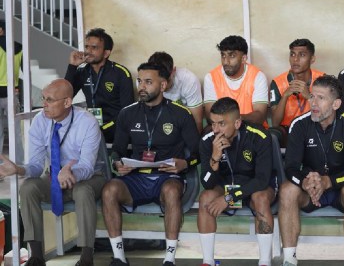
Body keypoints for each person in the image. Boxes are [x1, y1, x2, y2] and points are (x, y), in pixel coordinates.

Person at [101, 62, 200, 266]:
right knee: (109, 190)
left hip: (167, 178)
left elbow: (199, 153)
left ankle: (169, 259)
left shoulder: (181, 114)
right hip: (136, 178)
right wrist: (117, 163)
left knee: (172, 191)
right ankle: (119, 257)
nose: (141, 87)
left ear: (163, 85)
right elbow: (117, 150)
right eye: (139, 81)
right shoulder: (127, 113)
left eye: (148, 82)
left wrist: (185, 164)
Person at [0, 79, 105, 266]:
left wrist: (70, 172)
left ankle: (87, 257)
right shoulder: (40, 121)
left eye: (50, 100)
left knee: (82, 191)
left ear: (67, 102)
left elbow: (88, 167)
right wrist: (19, 169)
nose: (44, 105)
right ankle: (37, 256)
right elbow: (36, 166)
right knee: (28, 187)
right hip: (54, 177)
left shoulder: (86, 122)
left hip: (89, 178)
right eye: (43, 99)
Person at [278, 75, 344, 266]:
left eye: (321, 98)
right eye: (312, 97)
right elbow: (290, 167)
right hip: (309, 189)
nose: (313, 103)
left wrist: (328, 182)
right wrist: (304, 181)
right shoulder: (299, 124)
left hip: (340, 187)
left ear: (336, 104)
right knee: (287, 189)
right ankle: (289, 259)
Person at [197, 97, 276, 266]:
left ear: (238, 123)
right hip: (225, 187)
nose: (216, 130)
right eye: (213, 123)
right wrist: (215, 159)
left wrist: (229, 198)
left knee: (260, 198)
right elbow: (207, 183)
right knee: (205, 198)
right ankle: (208, 261)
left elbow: (261, 180)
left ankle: (264, 262)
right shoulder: (207, 141)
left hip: (255, 188)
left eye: (222, 124)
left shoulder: (260, 136)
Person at [65, 28, 134, 143]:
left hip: (116, 131)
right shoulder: (82, 72)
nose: (88, 51)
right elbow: (65, 95)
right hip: (92, 129)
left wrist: (104, 129)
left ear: (106, 53)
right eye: (87, 47)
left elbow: (126, 112)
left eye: (94, 47)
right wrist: (72, 66)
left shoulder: (121, 73)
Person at [203, 35, 269, 129]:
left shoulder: (258, 77)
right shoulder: (211, 78)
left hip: (251, 129)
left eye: (232, 56)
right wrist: (230, 123)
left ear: (243, 58)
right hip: (222, 130)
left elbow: (260, 116)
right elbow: (210, 117)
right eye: (223, 55)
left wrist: (232, 120)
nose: (226, 62)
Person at [269, 39, 324, 146]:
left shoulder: (323, 79)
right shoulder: (277, 82)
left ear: (312, 59)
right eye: (292, 54)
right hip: (286, 130)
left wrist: (309, 97)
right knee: (273, 134)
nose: (295, 59)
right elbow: (275, 123)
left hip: (315, 126)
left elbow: (328, 116)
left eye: (302, 55)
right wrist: (285, 96)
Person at [148, 51, 204, 133]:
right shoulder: (143, 82)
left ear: (173, 71)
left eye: (167, 80)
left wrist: (194, 144)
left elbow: (197, 122)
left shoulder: (189, 80)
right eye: (159, 83)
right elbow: (147, 117)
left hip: (183, 125)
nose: (164, 87)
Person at [0, 19, 23, 157]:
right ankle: (19, 161)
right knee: (16, 131)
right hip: (12, 93)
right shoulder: (19, 47)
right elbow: (25, 72)